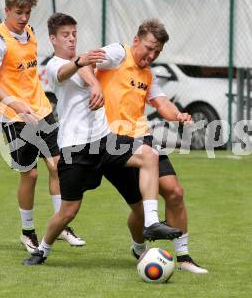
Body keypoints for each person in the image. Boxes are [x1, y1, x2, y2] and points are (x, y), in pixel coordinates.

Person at [22, 13, 182, 266]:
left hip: (105, 140)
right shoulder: (53, 65)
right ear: (53, 39)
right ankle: (42, 249)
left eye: (74, 34)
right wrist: (92, 81)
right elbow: (65, 71)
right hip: (75, 148)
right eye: (65, 35)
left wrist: (93, 79)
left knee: (149, 155)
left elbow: (87, 61)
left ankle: (151, 223)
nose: (71, 39)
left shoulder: (90, 61)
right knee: (68, 211)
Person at [90, 19, 208, 274]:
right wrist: (93, 85)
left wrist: (178, 115)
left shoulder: (147, 74)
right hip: (113, 142)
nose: (152, 55)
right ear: (136, 41)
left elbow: (163, 104)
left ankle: (184, 256)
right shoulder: (117, 54)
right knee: (140, 211)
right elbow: (85, 62)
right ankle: (138, 246)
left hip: (142, 139)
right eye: (149, 48)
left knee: (175, 192)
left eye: (157, 52)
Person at [0, 0, 85, 252]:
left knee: (57, 165)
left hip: (41, 110)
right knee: (30, 175)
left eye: (27, 12)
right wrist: (15, 104)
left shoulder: (30, 33)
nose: (24, 18)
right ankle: (28, 232)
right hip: (15, 118)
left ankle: (61, 226)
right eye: (19, 12)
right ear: (6, 10)